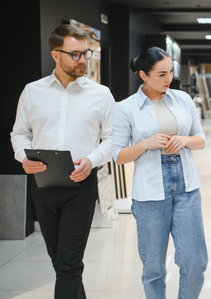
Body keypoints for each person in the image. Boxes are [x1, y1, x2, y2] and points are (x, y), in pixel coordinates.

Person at [10, 24, 115, 299]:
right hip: (42, 187)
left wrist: (91, 160)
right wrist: (23, 157)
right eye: (75, 54)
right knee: (61, 264)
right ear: (55, 54)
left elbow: (113, 139)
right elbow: (20, 133)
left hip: (80, 186)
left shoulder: (101, 94)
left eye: (85, 53)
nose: (82, 60)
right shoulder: (32, 91)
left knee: (68, 265)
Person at [112, 47, 208, 299]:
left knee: (195, 262)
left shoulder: (182, 99)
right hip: (150, 191)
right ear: (143, 74)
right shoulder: (126, 108)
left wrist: (185, 140)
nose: (168, 80)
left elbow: (201, 139)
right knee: (153, 268)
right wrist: (145, 143)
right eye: (161, 74)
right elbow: (118, 155)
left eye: (170, 73)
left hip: (186, 185)